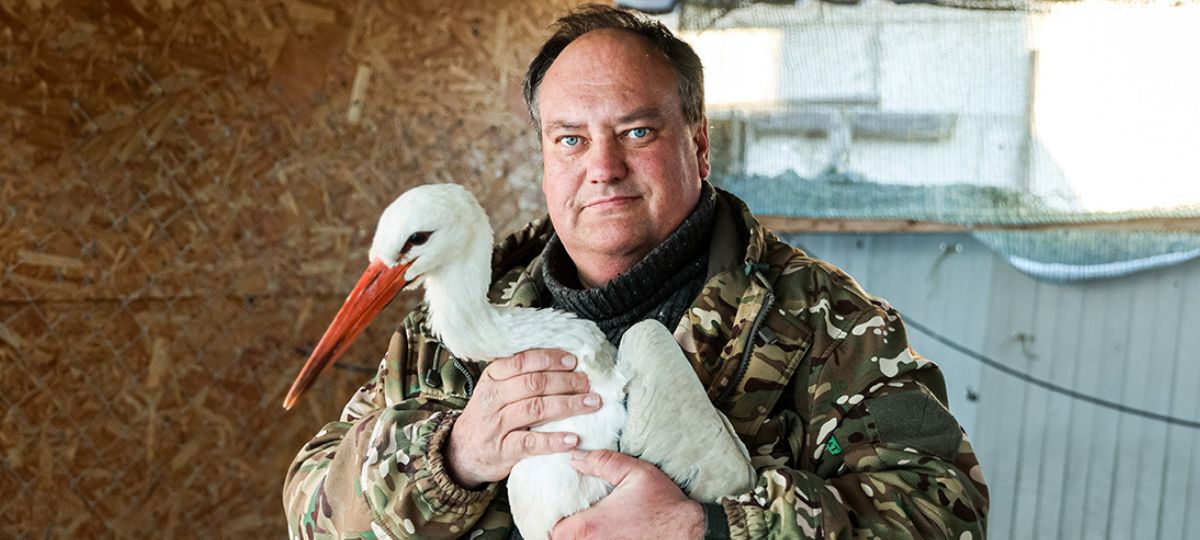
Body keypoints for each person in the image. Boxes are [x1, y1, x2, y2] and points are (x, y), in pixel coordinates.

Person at [283, 5, 989, 539]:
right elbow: (309, 508)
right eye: (570, 139)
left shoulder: (829, 323)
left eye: (637, 132)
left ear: (700, 145)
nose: (603, 167)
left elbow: (944, 512)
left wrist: (709, 527)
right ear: (544, 159)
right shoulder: (442, 331)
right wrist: (452, 458)